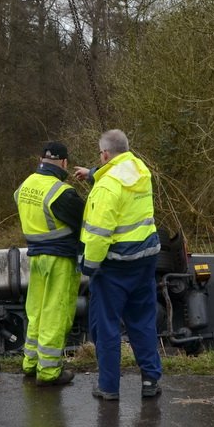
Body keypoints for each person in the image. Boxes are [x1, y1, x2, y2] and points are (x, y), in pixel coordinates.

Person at [80, 129, 163, 402]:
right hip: (146, 258)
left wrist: (88, 269)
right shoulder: (141, 170)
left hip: (115, 266)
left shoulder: (106, 188)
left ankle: (109, 386)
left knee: (106, 326)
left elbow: (98, 235)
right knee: (142, 322)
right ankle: (151, 380)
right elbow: (120, 176)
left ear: (105, 154)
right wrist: (92, 172)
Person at [14, 141, 86, 387]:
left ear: (41, 159)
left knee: (36, 312)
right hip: (60, 258)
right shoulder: (61, 192)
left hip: (35, 257)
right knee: (56, 313)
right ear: (64, 163)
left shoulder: (25, 185)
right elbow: (85, 220)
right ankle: (49, 371)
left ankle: (30, 363)